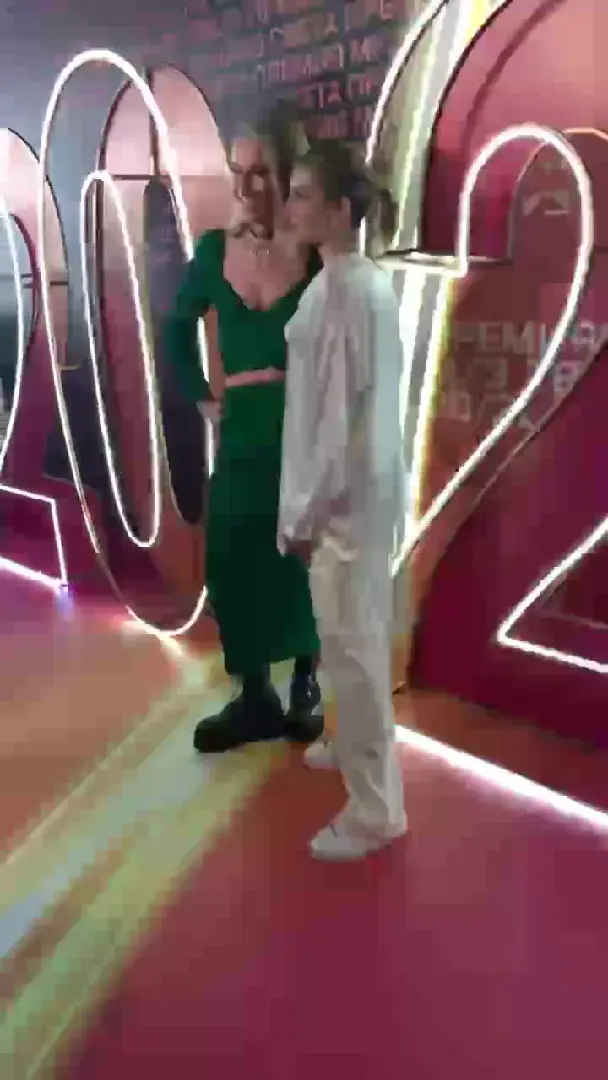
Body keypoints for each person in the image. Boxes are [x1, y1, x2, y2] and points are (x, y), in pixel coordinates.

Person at [164, 105, 324, 754]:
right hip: (241, 437)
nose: (247, 185)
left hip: (307, 431)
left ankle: (306, 685)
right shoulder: (213, 251)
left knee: (304, 559)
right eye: (239, 170)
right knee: (232, 554)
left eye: (262, 171)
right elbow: (176, 329)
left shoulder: (316, 251)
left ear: (289, 173)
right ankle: (254, 695)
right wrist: (204, 399)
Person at [278, 141, 408, 861]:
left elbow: (335, 423)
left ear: (338, 209)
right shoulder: (340, 286)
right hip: (353, 498)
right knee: (346, 640)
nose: (289, 206)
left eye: (302, 194)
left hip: (345, 505)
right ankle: (349, 741)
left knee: (353, 650)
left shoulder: (349, 293)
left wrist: (303, 514)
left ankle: (375, 811)